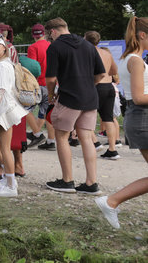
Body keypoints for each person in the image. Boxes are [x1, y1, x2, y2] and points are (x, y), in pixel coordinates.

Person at [95, 17, 148, 229]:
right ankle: (111, 201)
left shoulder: (132, 58)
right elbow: (137, 97)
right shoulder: (135, 60)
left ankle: (111, 201)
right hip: (143, 117)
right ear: (143, 35)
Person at [44, 17, 105, 194]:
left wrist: (50, 95)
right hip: (90, 98)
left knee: (61, 136)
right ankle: (91, 183)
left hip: (69, 98)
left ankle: (67, 181)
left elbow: (50, 78)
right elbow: (101, 74)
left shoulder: (55, 47)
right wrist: (87, 85)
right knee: (87, 138)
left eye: (49, 35)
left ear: (52, 32)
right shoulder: (87, 45)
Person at [0, 35, 29, 197]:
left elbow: (1, 90)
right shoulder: (2, 64)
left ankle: (11, 186)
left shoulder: (3, 65)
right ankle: (8, 181)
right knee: (3, 147)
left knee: (5, 148)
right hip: (4, 108)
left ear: (5, 48)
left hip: (4, 110)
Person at [84, 31, 120, 160]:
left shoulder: (87, 53)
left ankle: (95, 143)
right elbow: (114, 71)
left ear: (85, 39)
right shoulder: (106, 53)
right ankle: (112, 149)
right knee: (108, 118)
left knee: (86, 116)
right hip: (109, 86)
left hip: (96, 86)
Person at [26, 24, 57, 150]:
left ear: (33, 35)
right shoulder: (52, 46)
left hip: (38, 84)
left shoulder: (33, 47)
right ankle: (51, 141)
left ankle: (37, 135)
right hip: (52, 84)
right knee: (47, 113)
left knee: (24, 109)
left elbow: (33, 68)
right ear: (44, 33)